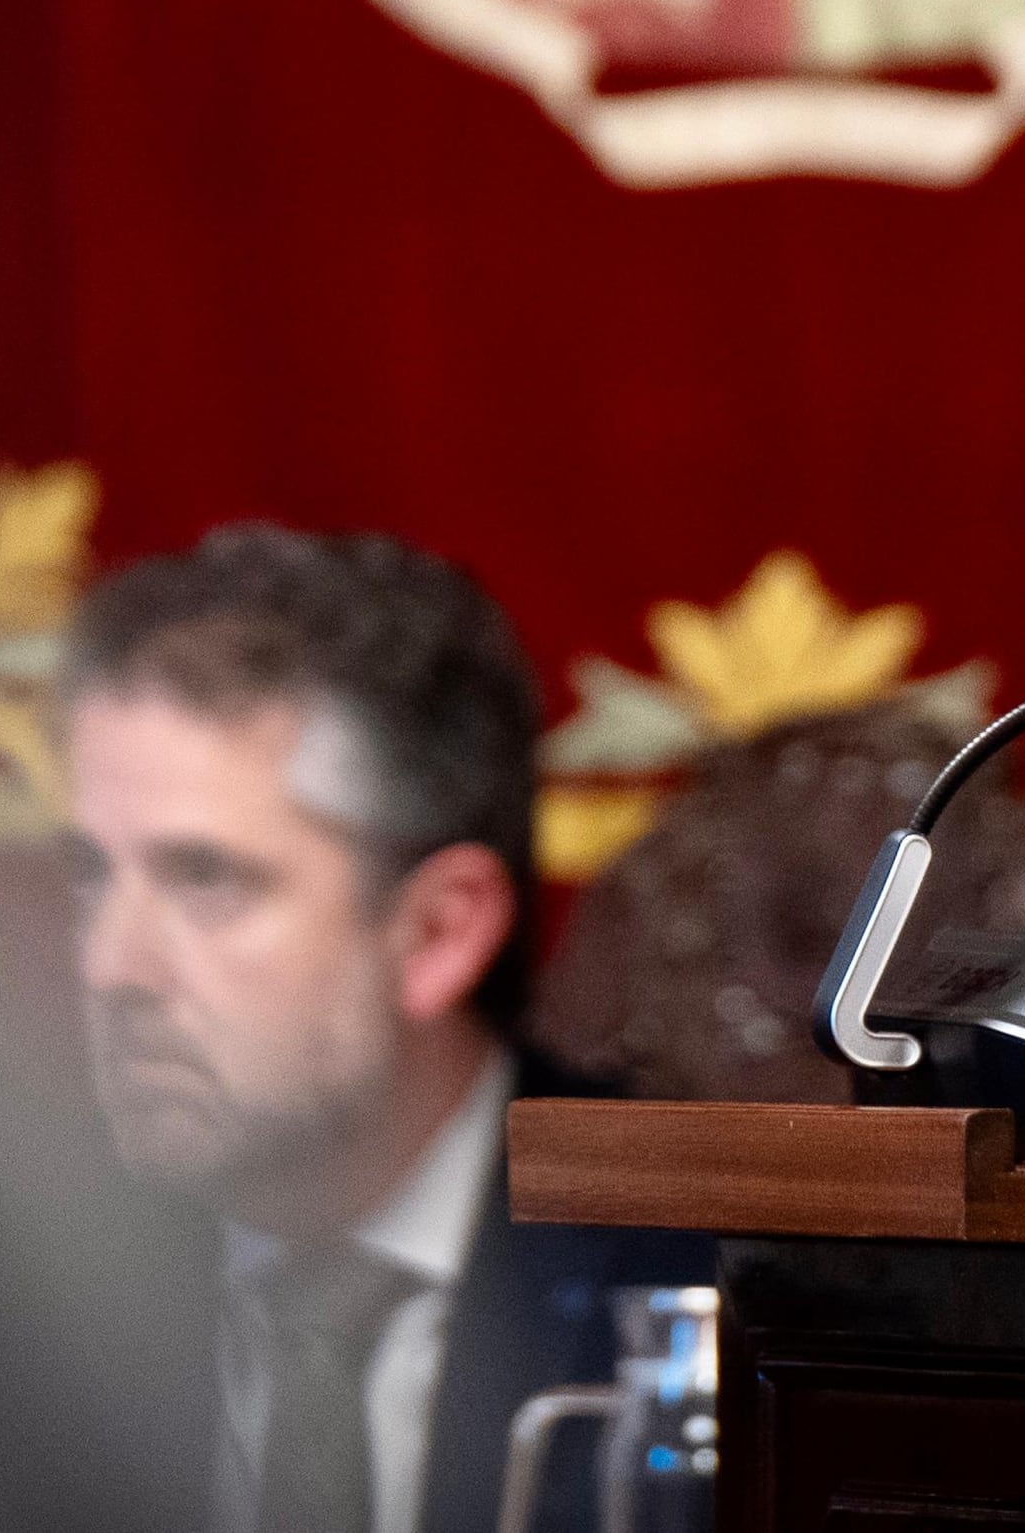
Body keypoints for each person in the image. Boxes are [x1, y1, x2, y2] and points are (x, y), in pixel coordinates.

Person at [64, 526, 706, 1533]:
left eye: (205, 879)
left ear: (437, 932)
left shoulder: (695, 1296)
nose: (108, 968)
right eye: (90, 873)